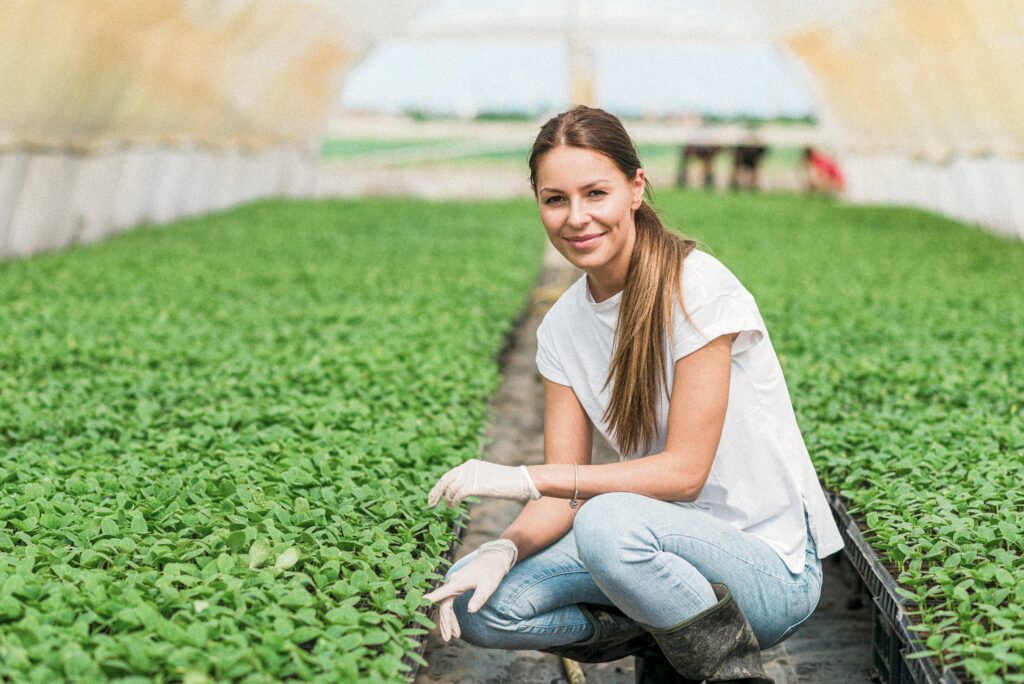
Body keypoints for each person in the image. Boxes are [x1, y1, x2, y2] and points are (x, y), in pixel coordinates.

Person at [424, 105, 844, 683]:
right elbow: (564, 491)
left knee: (608, 522)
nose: (577, 218)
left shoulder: (696, 287)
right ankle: (664, 633)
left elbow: (683, 475)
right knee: (477, 598)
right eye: (555, 199)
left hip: (766, 569)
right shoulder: (563, 329)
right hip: (643, 548)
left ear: (635, 188)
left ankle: (731, 673)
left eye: (596, 193)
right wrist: (505, 548)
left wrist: (526, 476)